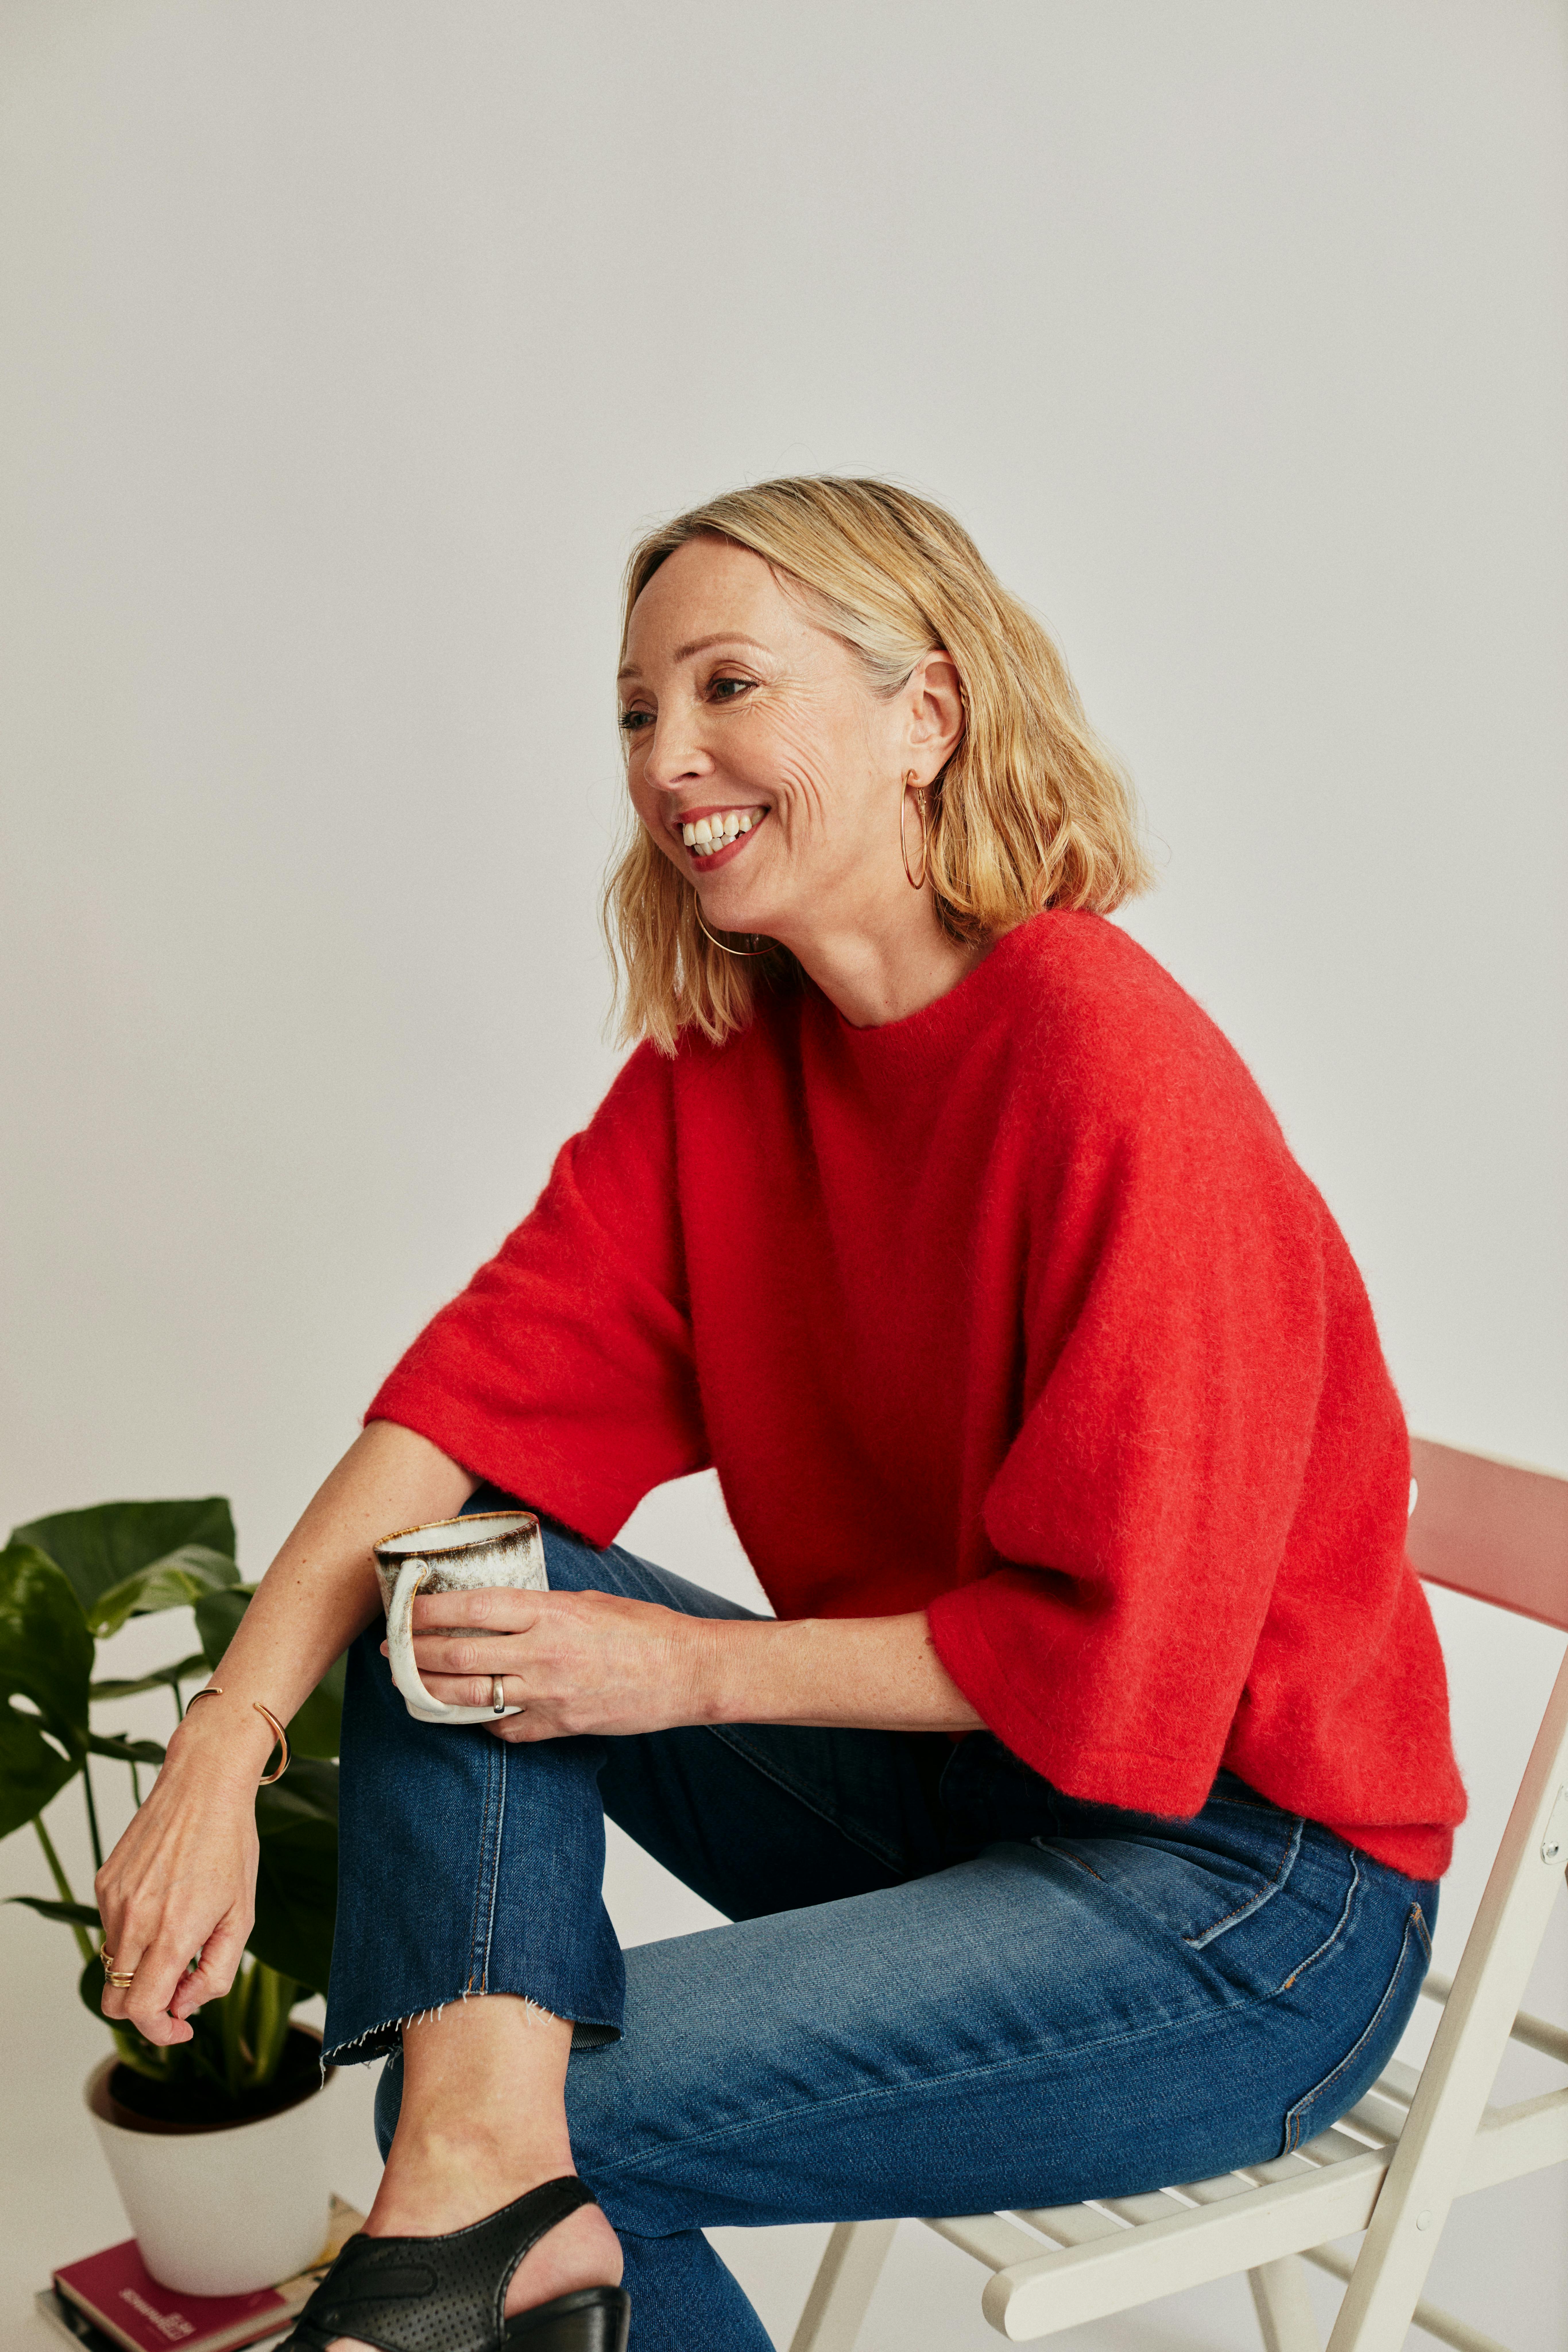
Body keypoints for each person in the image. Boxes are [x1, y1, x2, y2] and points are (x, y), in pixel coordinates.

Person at [93, 477, 1466, 2352]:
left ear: (927, 715)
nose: (673, 757)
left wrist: (680, 1676)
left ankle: (456, 2216)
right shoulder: (729, 1071)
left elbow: (1123, 1669)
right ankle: (465, 2202)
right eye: (639, 710)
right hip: (972, 1802)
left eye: (730, 685)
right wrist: (220, 1747)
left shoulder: (1107, 1065)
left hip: (1242, 1900)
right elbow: (456, 1420)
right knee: (451, 1588)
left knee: (518, 2127)